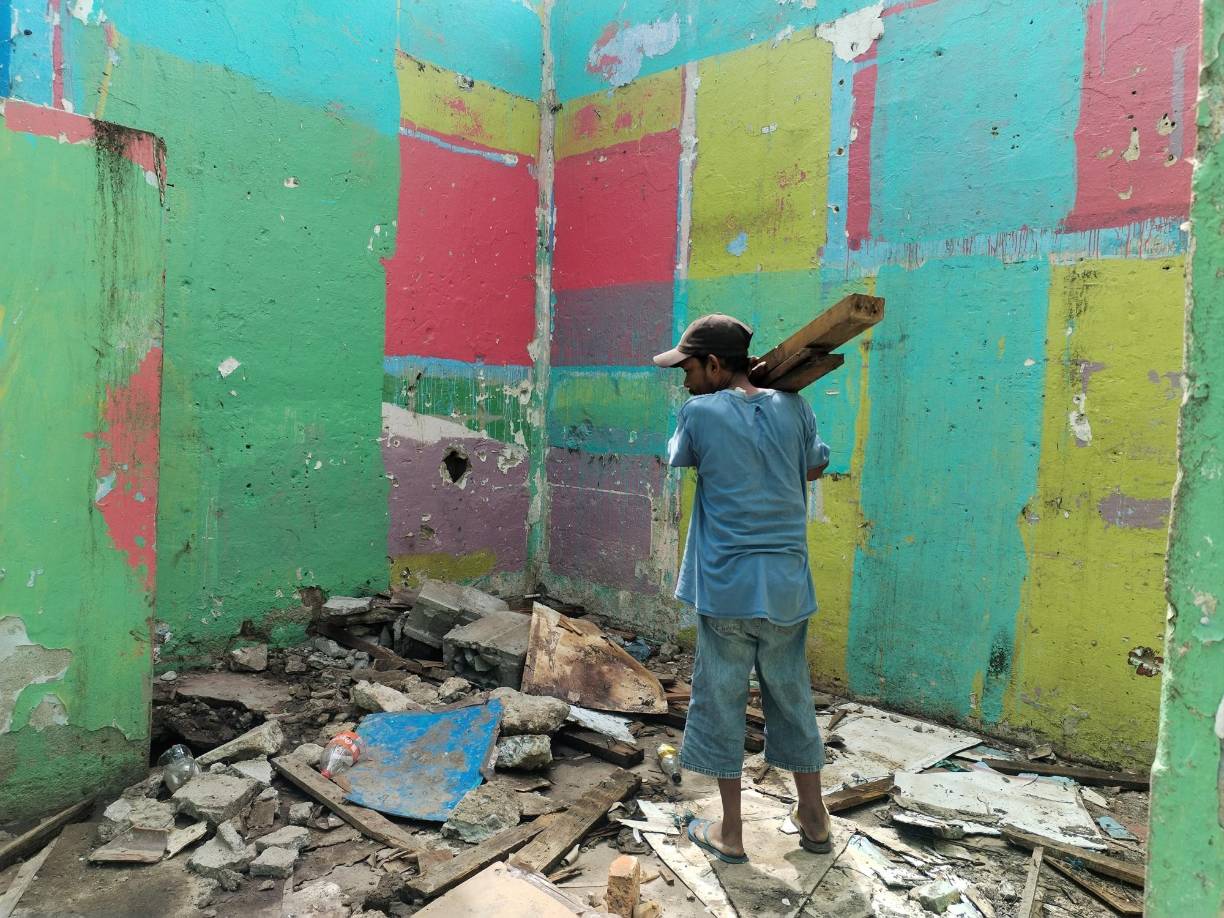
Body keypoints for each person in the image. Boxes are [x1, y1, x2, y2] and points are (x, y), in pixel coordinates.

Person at [652, 313, 832, 863]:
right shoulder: (794, 406)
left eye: (687, 368)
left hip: (726, 587)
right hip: (785, 590)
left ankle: (731, 833)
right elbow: (815, 466)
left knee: (721, 702)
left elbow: (676, 454)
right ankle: (815, 819)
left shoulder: (700, 412)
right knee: (793, 698)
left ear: (713, 364)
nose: (682, 380)